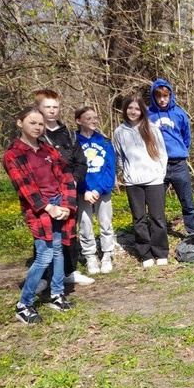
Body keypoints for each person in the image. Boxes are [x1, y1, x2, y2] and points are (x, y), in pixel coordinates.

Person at [3, 107, 77, 324]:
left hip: (58, 203)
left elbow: (66, 175)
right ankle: (24, 304)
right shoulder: (13, 154)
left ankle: (56, 294)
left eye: (40, 124)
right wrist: (48, 208)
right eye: (32, 123)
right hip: (39, 209)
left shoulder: (48, 150)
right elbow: (24, 188)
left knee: (59, 250)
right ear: (20, 123)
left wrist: (66, 204)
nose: (37, 127)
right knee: (44, 255)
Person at [34, 89, 95, 286]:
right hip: (44, 193)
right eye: (47, 107)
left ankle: (69, 271)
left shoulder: (69, 135)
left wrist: (74, 181)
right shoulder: (35, 135)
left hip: (67, 191)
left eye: (55, 107)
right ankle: (43, 277)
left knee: (69, 232)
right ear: (39, 108)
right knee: (44, 234)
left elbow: (80, 162)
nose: (52, 111)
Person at [114, 94, 169, 268]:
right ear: (125, 110)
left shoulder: (152, 129)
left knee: (157, 218)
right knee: (139, 219)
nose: (133, 111)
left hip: (154, 180)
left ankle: (160, 252)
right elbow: (119, 156)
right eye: (130, 108)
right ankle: (145, 254)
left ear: (142, 111)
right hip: (133, 182)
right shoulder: (119, 132)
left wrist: (160, 174)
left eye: (137, 108)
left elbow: (162, 153)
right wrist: (126, 173)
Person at [148, 79, 194, 233]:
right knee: (156, 203)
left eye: (165, 96)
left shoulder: (179, 113)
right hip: (157, 165)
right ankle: (157, 233)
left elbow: (187, 137)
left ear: (170, 95)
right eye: (159, 96)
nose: (162, 99)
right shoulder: (148, 114)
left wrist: (181, 151)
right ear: (154, 97)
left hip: (178, 165)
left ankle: (193, 232)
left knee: (187, 201)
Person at [75, 106, 116, 274]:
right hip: (83, 191)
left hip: (102, 190)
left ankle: (107, 254)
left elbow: (110, 169)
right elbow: (73, 168)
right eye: (89, 118)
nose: (94, 121)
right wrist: (84, 190)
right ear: (79, 121)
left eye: (95, 118)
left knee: (106, 222)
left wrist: (100, 189)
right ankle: (90, 256)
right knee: (85, 223)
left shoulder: (105, 142)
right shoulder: (73, 142)